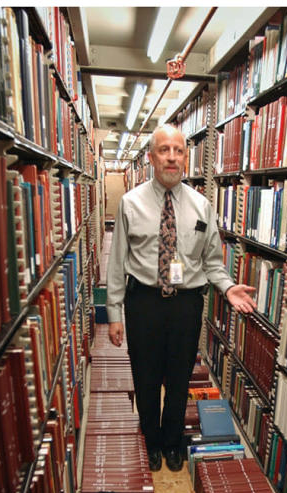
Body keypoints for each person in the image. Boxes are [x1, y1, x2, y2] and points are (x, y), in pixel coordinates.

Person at [106, 124, 257, 471]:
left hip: (186, 304)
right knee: (145, 377)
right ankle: (151, 440)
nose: (172, 158)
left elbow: (212, 262)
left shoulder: (202, 206)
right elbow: (116, 264)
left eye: (178, 151)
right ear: (151, 157)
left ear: (186, 156)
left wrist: (227, 286)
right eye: (164, 150)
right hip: (143, 302)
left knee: (178, 378)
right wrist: (114, 313)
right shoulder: (130, 203)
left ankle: (173, 441)